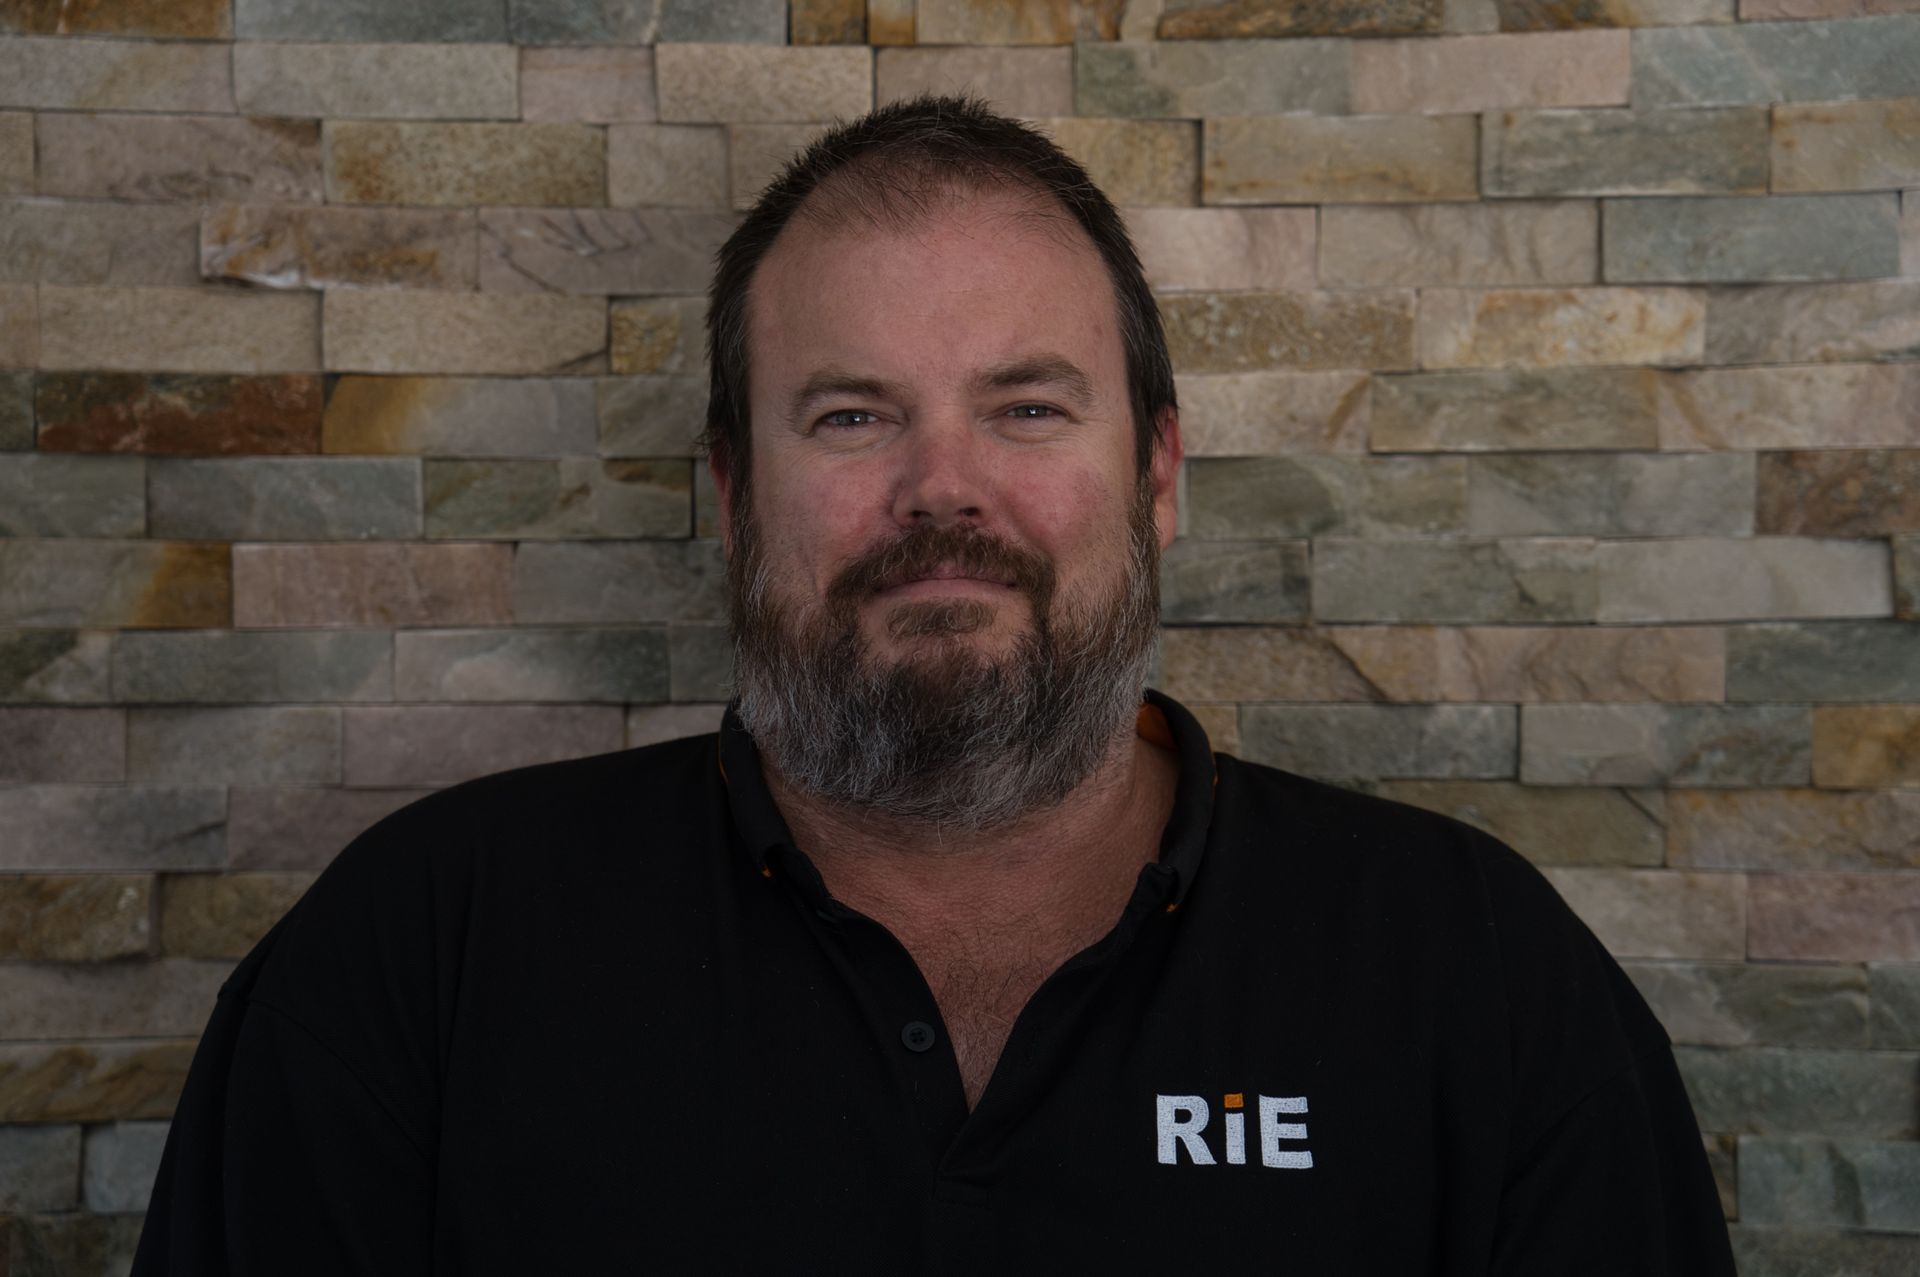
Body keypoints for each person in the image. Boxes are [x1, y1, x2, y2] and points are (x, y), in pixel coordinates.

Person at [133, 96, 1735, 1274]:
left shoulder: (1475, 976)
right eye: (851, 416)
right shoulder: (419, 957)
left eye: (1028, 408)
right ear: (733, 493)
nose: (942, 488)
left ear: (1159, 472)